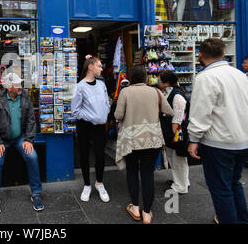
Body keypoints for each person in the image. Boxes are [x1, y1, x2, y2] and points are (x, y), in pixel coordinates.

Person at [187, 38, 248, 224]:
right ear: (223, 54)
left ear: (200, 55)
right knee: (234, 183)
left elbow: (200, 112)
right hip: (242, 140)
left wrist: (194, 139)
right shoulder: (240, 74)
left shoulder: (205, 77)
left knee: (221, 189)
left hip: (219, 143)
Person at [114, 65, 174, 224]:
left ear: (131, 78)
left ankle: (135, 208)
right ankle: (147, 213)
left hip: (132, 139)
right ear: (146, 77)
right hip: (153, 139)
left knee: (132, 172)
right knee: (148, 174)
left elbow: (118, 114)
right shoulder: (155, 92)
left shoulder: (125, 92)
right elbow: (170, 111)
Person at [0, 72, 43, 216]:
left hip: (20, 138)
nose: (20, 86)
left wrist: (29, 140)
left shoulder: (24, 97)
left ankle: (36, 194)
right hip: (2, 140)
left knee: (32, 156)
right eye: (17, 84)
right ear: (9, 87)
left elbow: (31, 119)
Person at [72, 55, 111, 203]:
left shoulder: (101, 84)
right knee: (84, 155)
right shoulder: (80, 86)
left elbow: (107, 103)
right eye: (99, 66)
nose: (101, 69)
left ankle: (99, 183)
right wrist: (91, 116)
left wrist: (104, 114)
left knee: (100, 156)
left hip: (100, 127)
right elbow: (75, 111)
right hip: (85, 126)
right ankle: (87, 185)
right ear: (90, 67)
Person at [157, 71, 190, 195]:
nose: (157, 82)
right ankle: (182, 181)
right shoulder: (168, 93)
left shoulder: (177, 96)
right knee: (175, 159)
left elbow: (178, 117)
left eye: (159, 81)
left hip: (177, 133)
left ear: (166, 83)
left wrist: (171, 134)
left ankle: (181, 186)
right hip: (172, 132)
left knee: (178, 160)